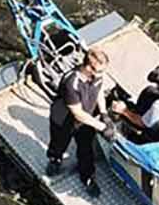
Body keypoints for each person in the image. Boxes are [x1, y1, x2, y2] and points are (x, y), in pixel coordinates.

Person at [46, 47, 111, 195]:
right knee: (59, 142)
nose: (102, 75)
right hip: (64, 119)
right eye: (99, 71)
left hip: (86, 119)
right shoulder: (71, 82)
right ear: (88, 67)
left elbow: (99, 90)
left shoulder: (97, 76)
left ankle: (87, 177)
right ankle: (55, 159)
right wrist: (102, 127)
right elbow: (77, 113)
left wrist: (104, 113)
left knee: (86, 149)